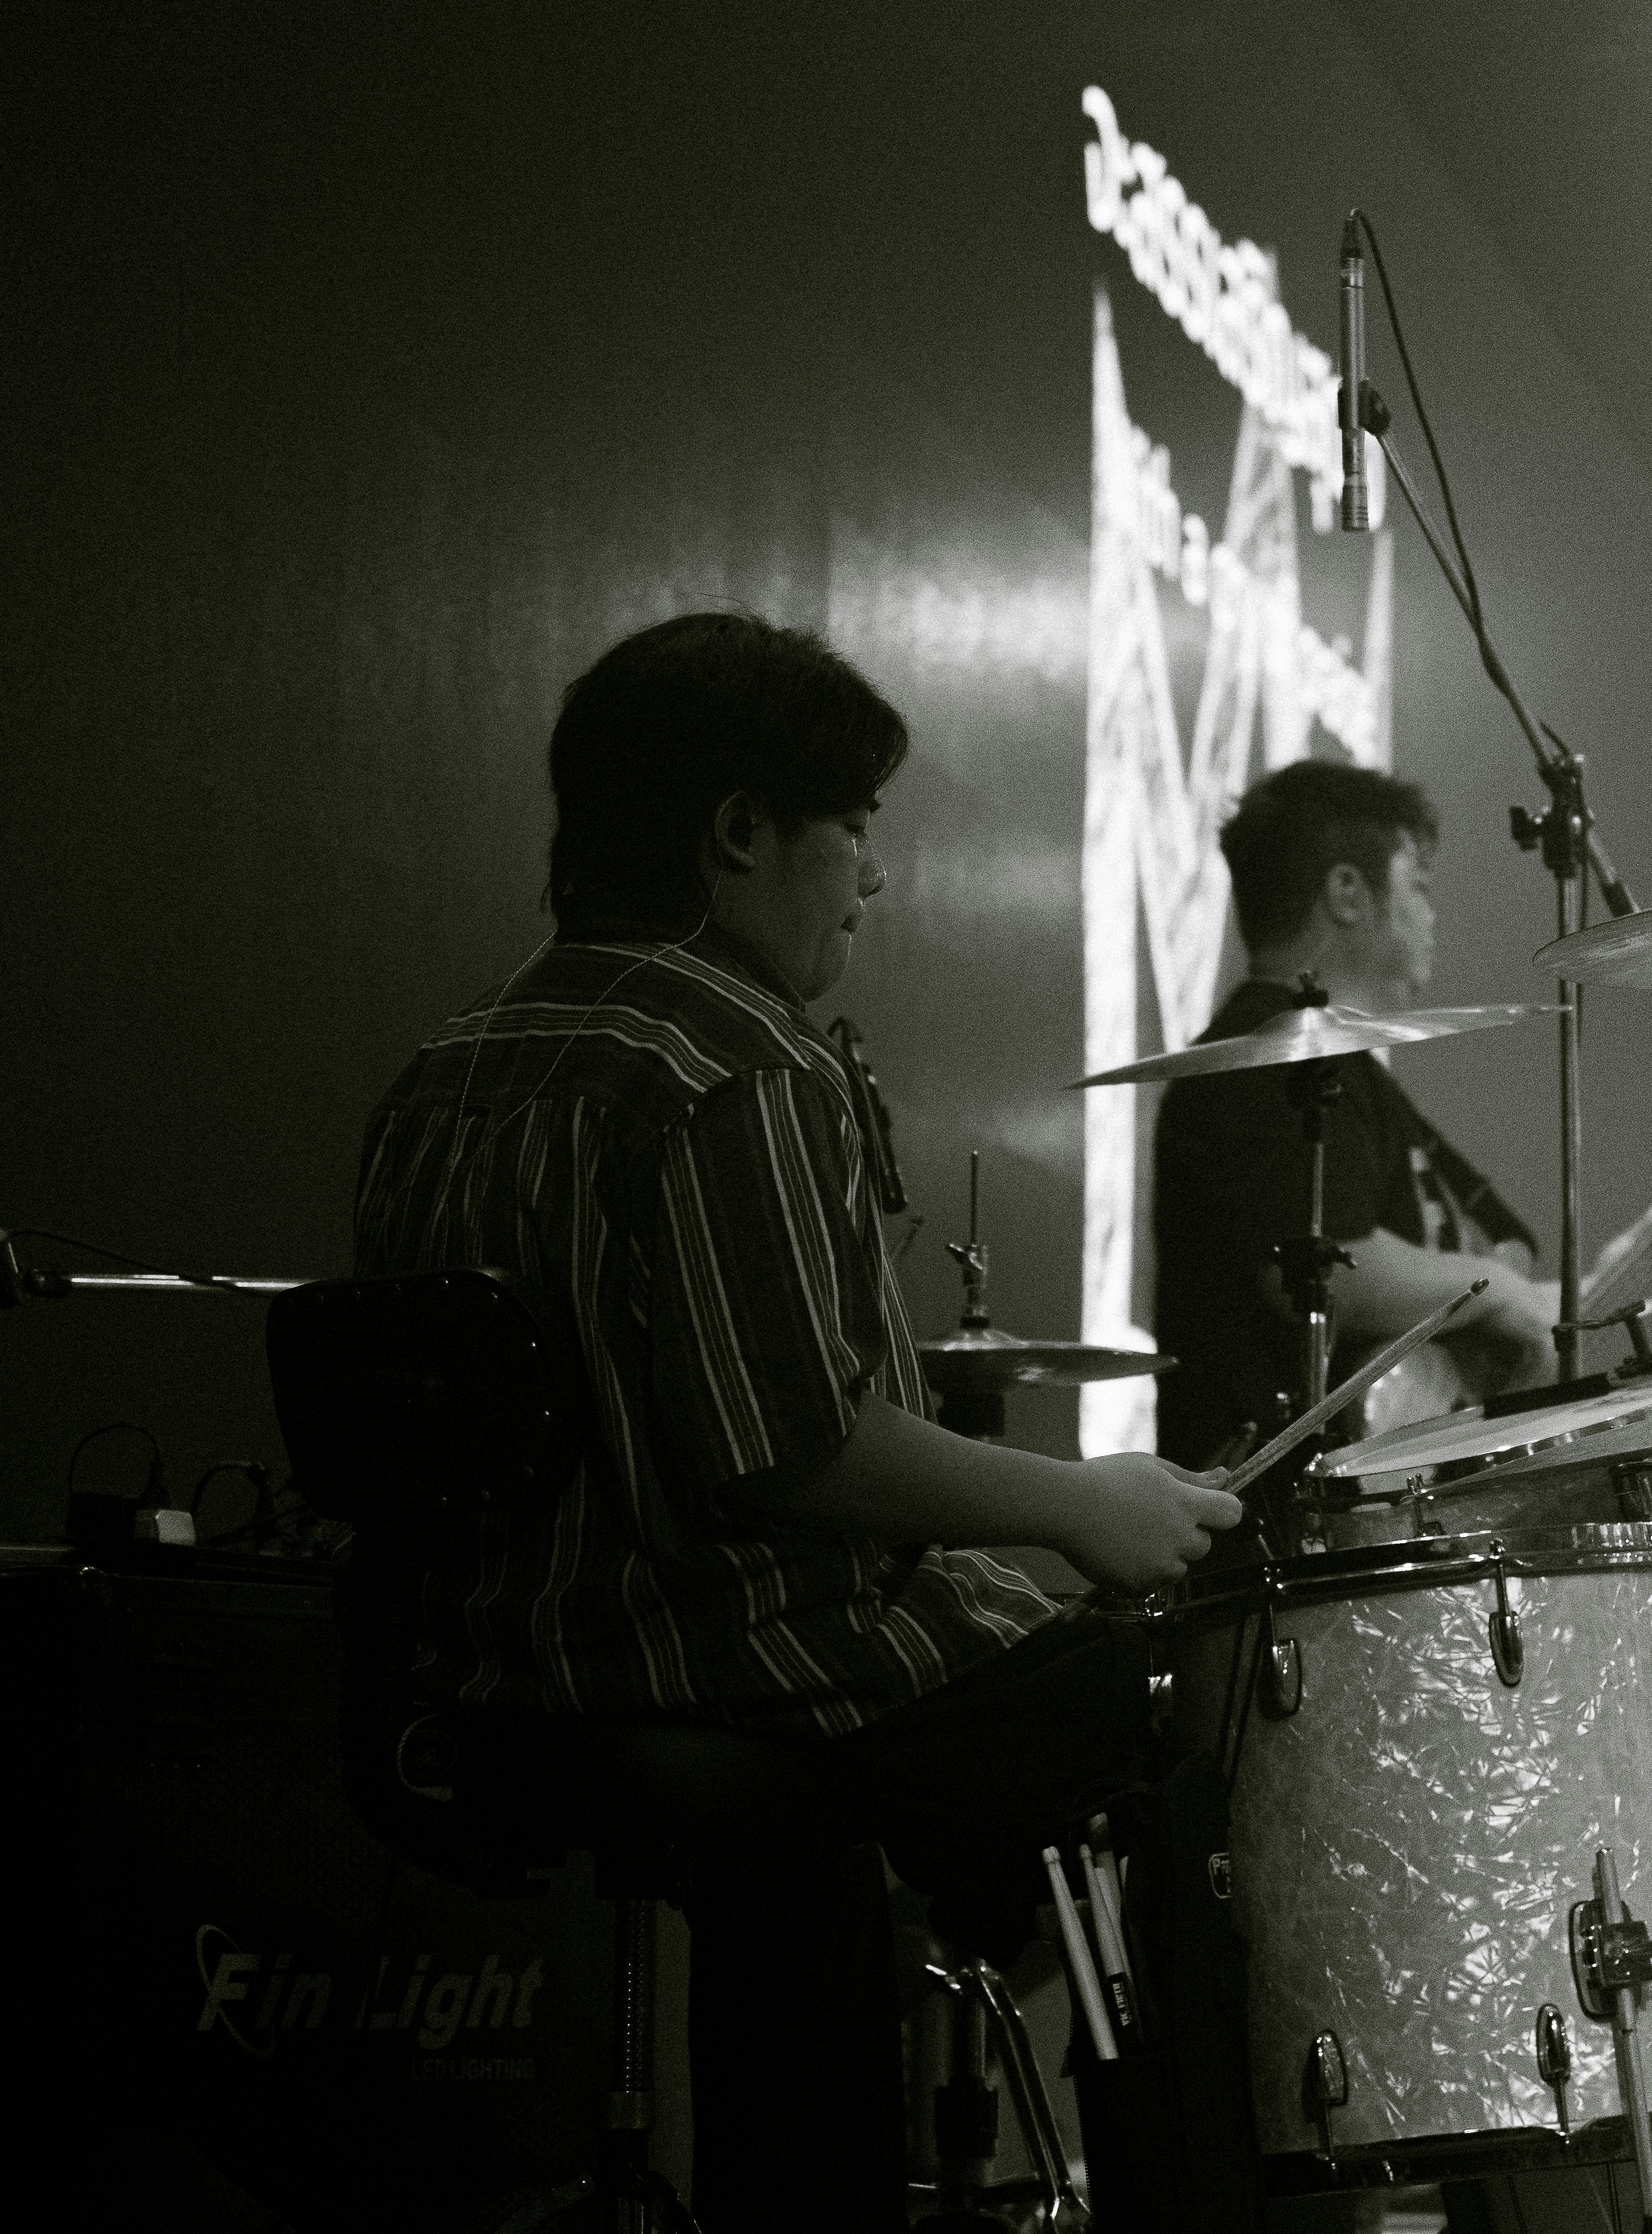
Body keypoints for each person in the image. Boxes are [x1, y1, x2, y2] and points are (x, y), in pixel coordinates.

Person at [352, 612, 1243, 2223]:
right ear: (740, 834)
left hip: (487, 1680)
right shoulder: (737, 1059)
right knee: (1185, 1713)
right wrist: (1076, 1502)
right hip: (727, 1660)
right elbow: (797, 1456)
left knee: (846, 1847)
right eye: (855, 829)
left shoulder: (445, 1070)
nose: (874, 878)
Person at [1151, 760, 1557, 1469]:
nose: (1433, 915)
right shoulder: (1262, 1066)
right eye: (1419, 887)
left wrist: (1529, 1288)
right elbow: (1332, 1266)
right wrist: (1493, 1293)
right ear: (1347, 891)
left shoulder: (1358, 1076)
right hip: (1281, 1524)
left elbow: (1504, 1243)